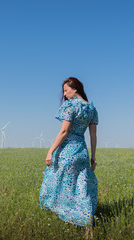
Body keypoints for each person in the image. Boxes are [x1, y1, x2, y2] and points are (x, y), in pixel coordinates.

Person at [39, 77, 98, 228]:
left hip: (68, 150)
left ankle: (64, 215)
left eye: (66, 90)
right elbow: (93, 135)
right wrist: (93, 157)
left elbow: (64, 131)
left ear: (75, 89)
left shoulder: (70, 106)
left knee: (60, 183)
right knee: (80, 186)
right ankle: (84, 217)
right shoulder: (91, 109)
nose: (64, 94)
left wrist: (50, 151)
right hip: (82, 151)